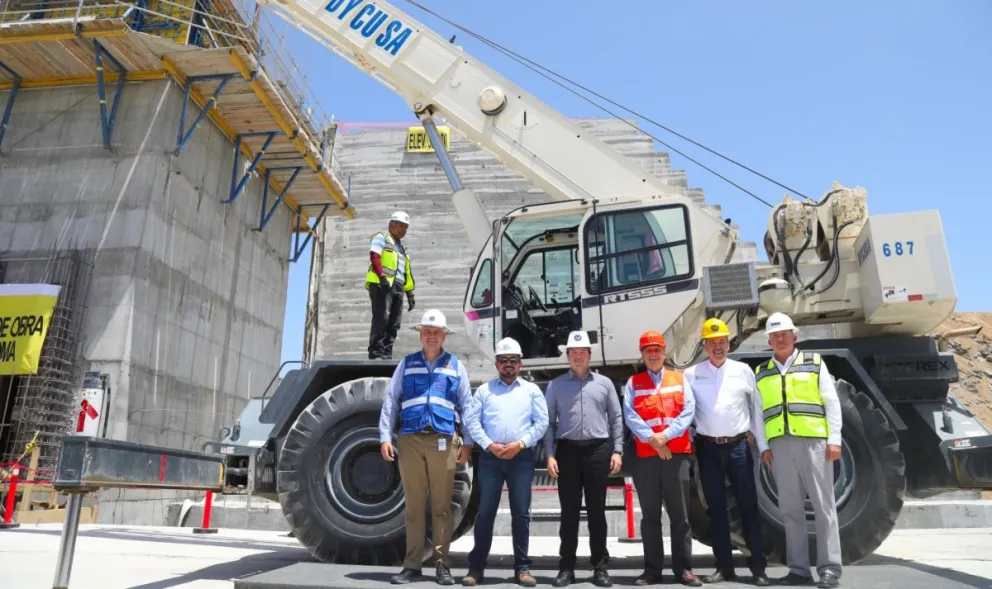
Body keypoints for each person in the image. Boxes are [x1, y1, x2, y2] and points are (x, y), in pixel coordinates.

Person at [378, 309, 473, 586]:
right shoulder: (406, 364)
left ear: (444, 336)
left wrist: (467, 442)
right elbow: (391, 402)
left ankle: (442, 565)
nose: (431, 336)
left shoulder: (456, 366)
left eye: (436, 332)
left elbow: (467, 406)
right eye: (427, 332)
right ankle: (412, 566)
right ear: (421, 335)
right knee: (414, 507)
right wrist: (385, 436)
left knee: (442, 507)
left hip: (444, 441)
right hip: (410, 441)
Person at [754, 312, 843, 588]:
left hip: (814, 442)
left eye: (784, 334)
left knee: (823, 506)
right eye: (775, 335)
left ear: (795, 336)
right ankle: (799, 569)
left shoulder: (814, 363)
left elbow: (831, 401)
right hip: (780, 446)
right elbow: (757, 414)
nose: (780, 339)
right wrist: (763, 446)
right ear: (768, 340)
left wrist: (834, 438)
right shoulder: (762, 372)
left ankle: (829, 569)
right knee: (790, 509)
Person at [683, 318, 769, 586]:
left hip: (739, 447)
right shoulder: (692, 374)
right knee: (716, 510)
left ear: (728, 344)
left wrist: (762, 444)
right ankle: (724, 567)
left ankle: (758, 568)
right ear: (705, 345)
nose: (717, 347)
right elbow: (686, 412)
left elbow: (756, 408)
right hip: (708, 448)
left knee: (748, 506)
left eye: (721, 342)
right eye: (712, 342)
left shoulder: (743, 370)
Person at [462, 337, 549, 588]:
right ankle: (476, 568)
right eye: (503, 361)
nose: (508, 365)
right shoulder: (485, 391)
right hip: (490, 458)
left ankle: (522, 568)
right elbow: (472, 421)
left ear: (520, 364)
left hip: (520, 457)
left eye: (513, 360)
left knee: (521, 514)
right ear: (497, 363)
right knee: (485, 513)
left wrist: (519, 444)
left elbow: (541, 423)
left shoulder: (531, 390)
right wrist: (489, 445)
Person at [622, 330, 702, 587]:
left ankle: (684, 570)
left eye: (657, 349)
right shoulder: (633, 383)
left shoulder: (680, 379)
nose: (653, 354)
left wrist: (664, 436)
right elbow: (631, 416)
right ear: (643, 355)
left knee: (680, 516)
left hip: (675, 457)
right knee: (650, 517)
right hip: (646, 458)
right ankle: (652, 570)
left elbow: (688, 411)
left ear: (664, 353)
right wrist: (654, 441)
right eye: (648, 350)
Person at [543, 331, 624, 588]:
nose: (578, 356)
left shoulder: (605, 384)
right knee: (569, 513)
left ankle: (599, 566)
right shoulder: (555, 385)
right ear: (567, 356)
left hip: (598, 451)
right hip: (567, 452)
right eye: (573, 352)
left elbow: (616, 418)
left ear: (590, 355)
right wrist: (550, 455)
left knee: (597, 512)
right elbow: (548, 424)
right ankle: (566, 567)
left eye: (583, 352)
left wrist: (618, 450)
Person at [367, 211, 415, 359]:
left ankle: (387, 353)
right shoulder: (382, 237)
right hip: (382, 285)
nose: (404, 230)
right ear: (392, 224)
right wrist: (381, 277)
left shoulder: (402, 249)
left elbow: (406, 272)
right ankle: (376, 352)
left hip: (398, 287)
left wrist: (410, 294)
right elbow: (375, 256)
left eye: (406, 227)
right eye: (401, 226)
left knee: (394, 322)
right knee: (382, 318)